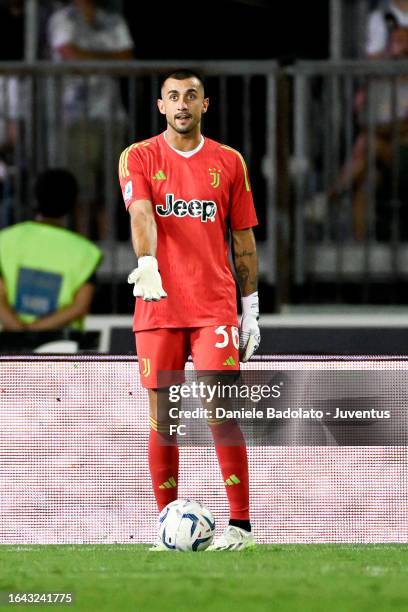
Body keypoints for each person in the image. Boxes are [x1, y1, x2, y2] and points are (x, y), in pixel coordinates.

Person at [119, 69, 260, 551]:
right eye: (173, 96)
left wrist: (252, 307)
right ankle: (166, 525)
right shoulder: (138, 156)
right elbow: (140, 212)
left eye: (191, 96)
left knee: (220, 411)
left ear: (206, 105)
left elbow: (242, 237)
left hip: (213, 307)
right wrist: (147, 263)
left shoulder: (229, 162)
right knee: (164, 417)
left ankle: (240, 528)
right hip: (157, 303)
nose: (182, 104)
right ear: (161, 106)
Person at [47, 0, 134, 238]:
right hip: (76, 116)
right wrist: (108, 60)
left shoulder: (113, 20)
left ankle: (107, 248)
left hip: (111, 115)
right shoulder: (63, 19)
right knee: (82, 191)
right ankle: (82, 243)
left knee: (109, 189)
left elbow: (126, 58)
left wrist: (90, 60)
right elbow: (70, 55)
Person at [333, 0, 408, 240]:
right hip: (389, 148)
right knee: (364, 178)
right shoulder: (381, 90)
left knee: (368, 144)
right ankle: (360, 251)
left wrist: (380, 131)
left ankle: (328, 199)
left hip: (401, 150)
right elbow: (370, 120)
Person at [0, 168, 102, 331]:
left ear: (35, 197)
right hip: (63, 347)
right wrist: (35, 331)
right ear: (72, 203)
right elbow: (79, 306)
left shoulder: (5, 240)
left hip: (8, 345)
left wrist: (19, 331)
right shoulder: (86, 252)